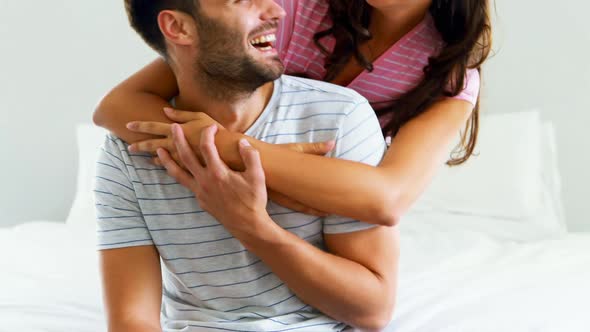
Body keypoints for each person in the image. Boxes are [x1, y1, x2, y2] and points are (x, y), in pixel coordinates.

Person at [96, 0, 397, 331]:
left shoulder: (338, 119)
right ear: (179, 28)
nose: (277, 11)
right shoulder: (129, 149)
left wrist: (251, 225)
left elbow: (372, 312)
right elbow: (132, 320)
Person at [93, 0, 492, 226]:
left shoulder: (449, 75)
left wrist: (228, 146)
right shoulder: (293, 10)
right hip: (222, 204)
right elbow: (117, 107)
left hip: (329, 222)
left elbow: (387, 199)